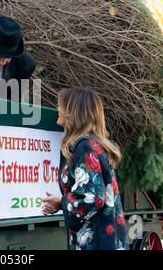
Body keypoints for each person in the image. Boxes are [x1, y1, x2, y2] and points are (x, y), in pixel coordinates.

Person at [42, 87, 128, 250]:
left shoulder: (84, 147)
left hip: (96, 242)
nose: (57, 109)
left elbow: (93, 197)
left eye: (61, 105)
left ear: (73, 111)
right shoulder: (93, 145)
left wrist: (61, 202)